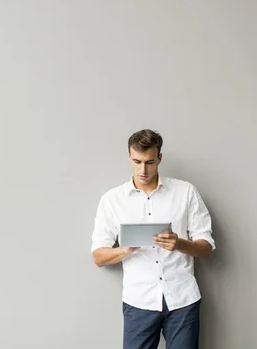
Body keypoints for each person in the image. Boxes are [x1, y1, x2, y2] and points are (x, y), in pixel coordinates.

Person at [91, 129, 215, 349]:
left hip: (183, 299)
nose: (143, 170)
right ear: (129, 157)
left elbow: (206, 249)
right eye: (137, 161)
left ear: (159, 158)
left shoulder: (185, 192)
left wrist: (179, 244)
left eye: (149, 162)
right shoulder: (112, 200)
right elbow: (98, 257)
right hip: (139, 301)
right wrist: (124, 249)